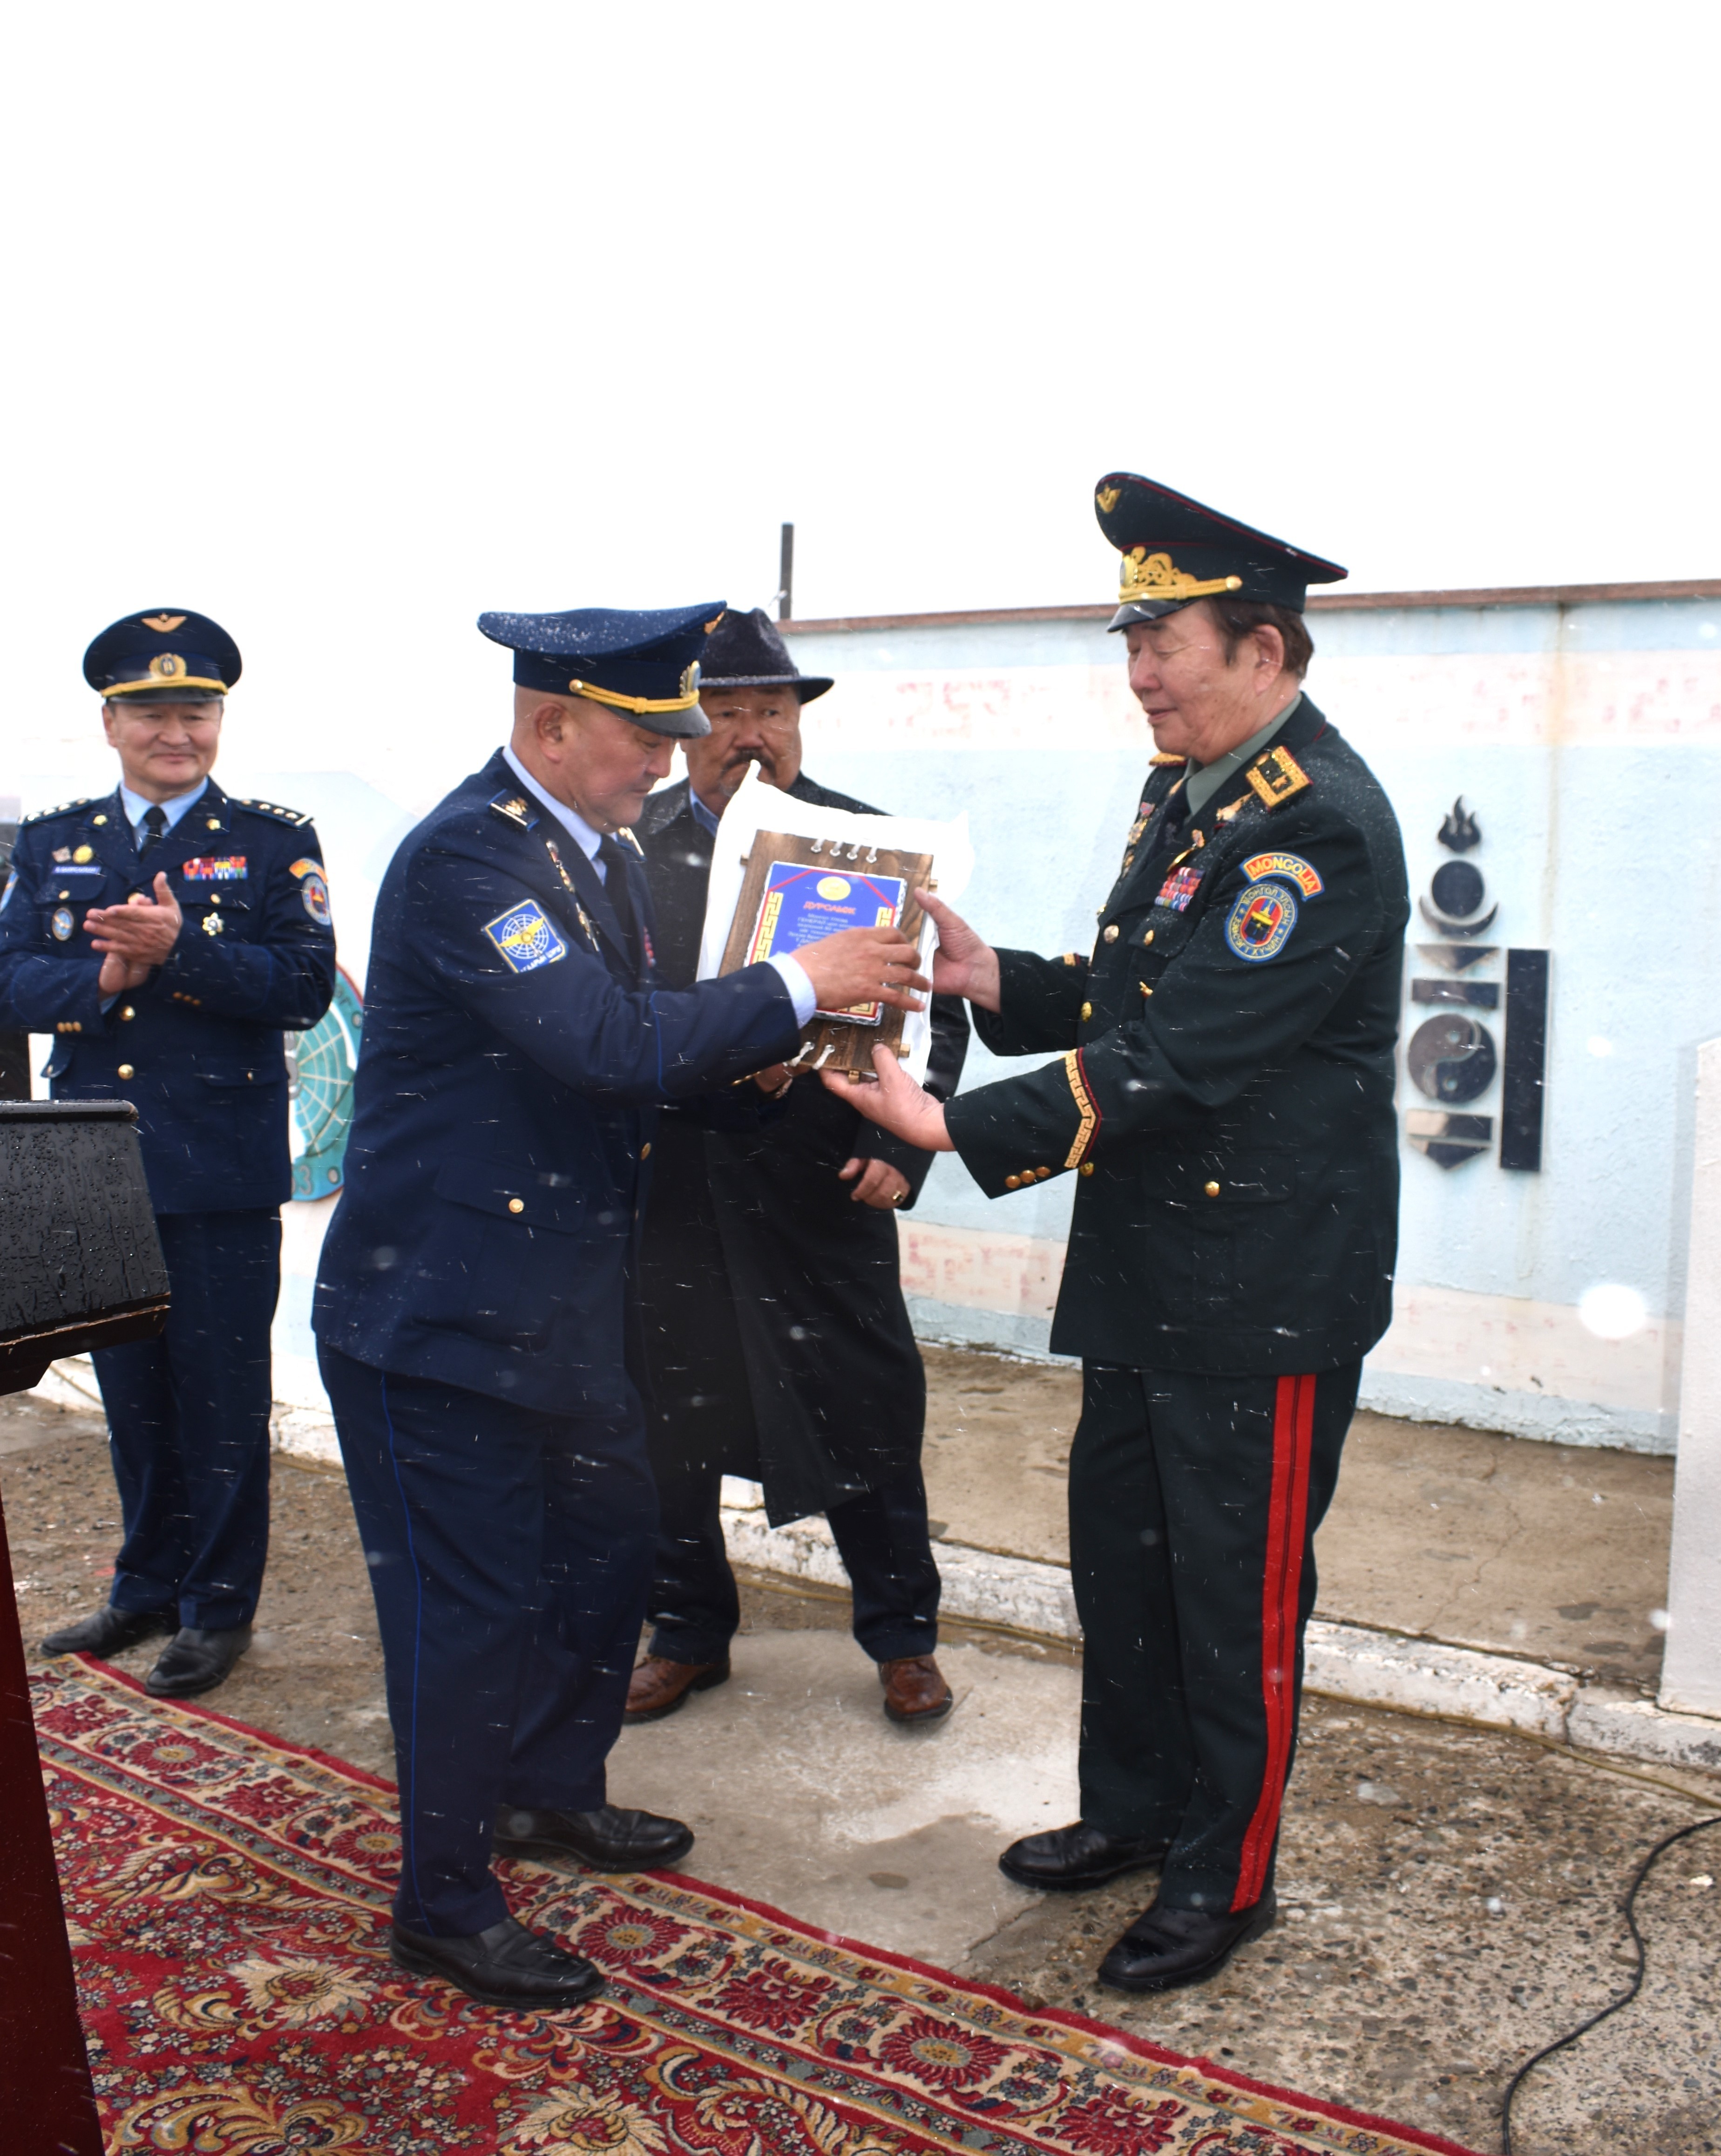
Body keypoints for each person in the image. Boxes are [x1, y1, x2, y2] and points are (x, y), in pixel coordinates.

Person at [832, 473, 1409, 1994]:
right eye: (1133, 643)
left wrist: (952, 1125)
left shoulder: (1318, 828)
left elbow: (1184, 1056)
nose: (1141, 673)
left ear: (1264, 649)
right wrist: (992, 980)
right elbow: (1136, 989)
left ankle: (1225, 1875)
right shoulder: (1190, 791)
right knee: (1129, 1566)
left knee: (1233, 1598)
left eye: (1166, 643)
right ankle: (1136, 1811)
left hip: (1262, 1290)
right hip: (1152, 1265)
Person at [311, 602, 928, 2013]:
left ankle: (548, 1788)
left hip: (569, 1306)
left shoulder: (599, 853)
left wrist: (757, 1067)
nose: (668, 760)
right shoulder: (472, 859)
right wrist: (798, 982)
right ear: (550, 727)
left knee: (604, 1556)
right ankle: (445, 1901)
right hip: (444, 1319)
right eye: (644, 738)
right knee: (468, 1613)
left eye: (672, 735)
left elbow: (642, 1057)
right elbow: (597, 1041)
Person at [628, 609, 969, 1729]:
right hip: (675, 1185)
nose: (750, 733)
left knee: (867, 1411)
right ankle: (686, 1631)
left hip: (824, 1181)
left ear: (799, 723)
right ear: (686, 729)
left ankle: (903, 1637)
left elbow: (935, 1016)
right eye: (724, 711)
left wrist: (897, 1147)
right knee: (669, 1421)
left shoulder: (868, 845)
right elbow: (610, 1017)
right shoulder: (632, 847)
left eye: (771, 710)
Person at [0, 609, 335, 1698]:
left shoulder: (276, 841)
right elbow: (10, 980)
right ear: (111, 723)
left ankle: (216, 1608)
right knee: (134, 1397)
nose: (175, 732)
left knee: (222, 1401)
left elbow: (305, 986)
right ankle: (145, 1583)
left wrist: (183, 949)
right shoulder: (55, 842)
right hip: (98, 1167)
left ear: (219, 721)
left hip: (219, 1170)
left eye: (195, 711)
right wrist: (101, 980)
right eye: (152, 713)